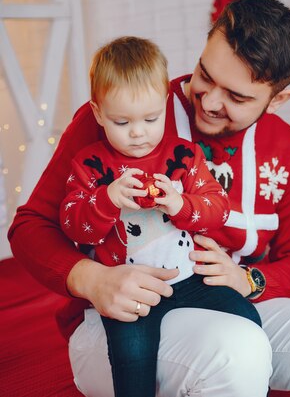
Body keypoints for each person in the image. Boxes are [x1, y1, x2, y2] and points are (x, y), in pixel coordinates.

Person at [9, 0, 290, 396]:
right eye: (204, 76)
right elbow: (29, 226)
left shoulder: (284, 146)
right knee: (235, 347)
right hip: (121, 316)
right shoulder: (126, 116)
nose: (208, 102)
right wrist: (90, 278)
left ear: (277, 100)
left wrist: (249, 280)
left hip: (227, 303)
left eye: (237, 97)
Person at [60, 36, 262, 397]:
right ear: (98, 112)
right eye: (122, 121)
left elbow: (218, 208)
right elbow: (75, 226)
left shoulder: (183, 156)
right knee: (132, 362)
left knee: (248, 320)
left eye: (151, 118)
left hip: (190, 279)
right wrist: (106, 200)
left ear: (166, 106)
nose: (138, 133)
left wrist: (180, 203)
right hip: (130, 289)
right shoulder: (91, 165)